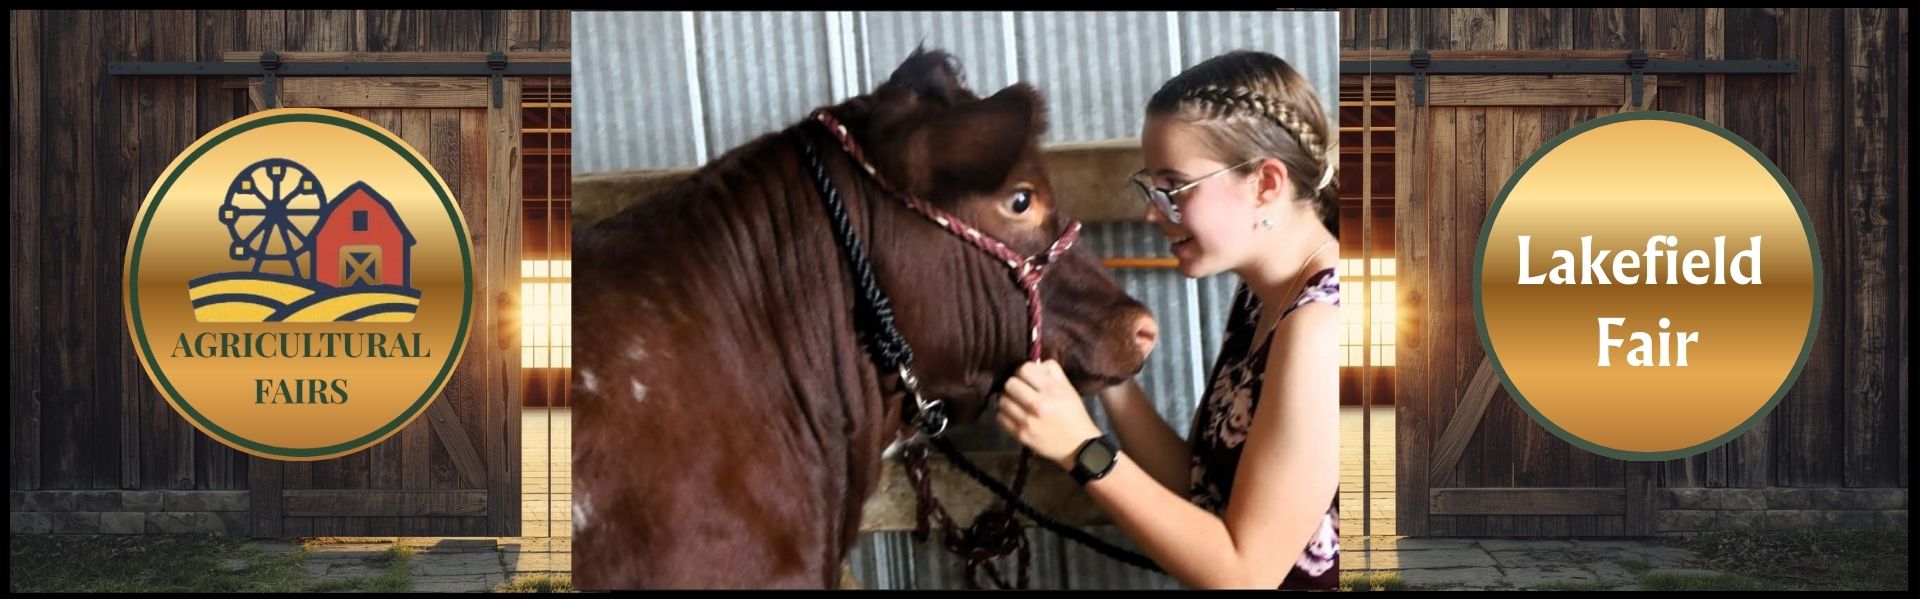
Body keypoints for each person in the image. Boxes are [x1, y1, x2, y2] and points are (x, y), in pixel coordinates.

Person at [995, 50, 1341, 589]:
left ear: (1266, 184)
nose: (1154, 212)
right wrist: (1114, 380)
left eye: (1175, 187)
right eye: (1152, 189)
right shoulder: (1264, 300)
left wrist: (1080, 448)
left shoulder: (1323, 328)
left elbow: (1245, 573)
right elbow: (1198, 489)